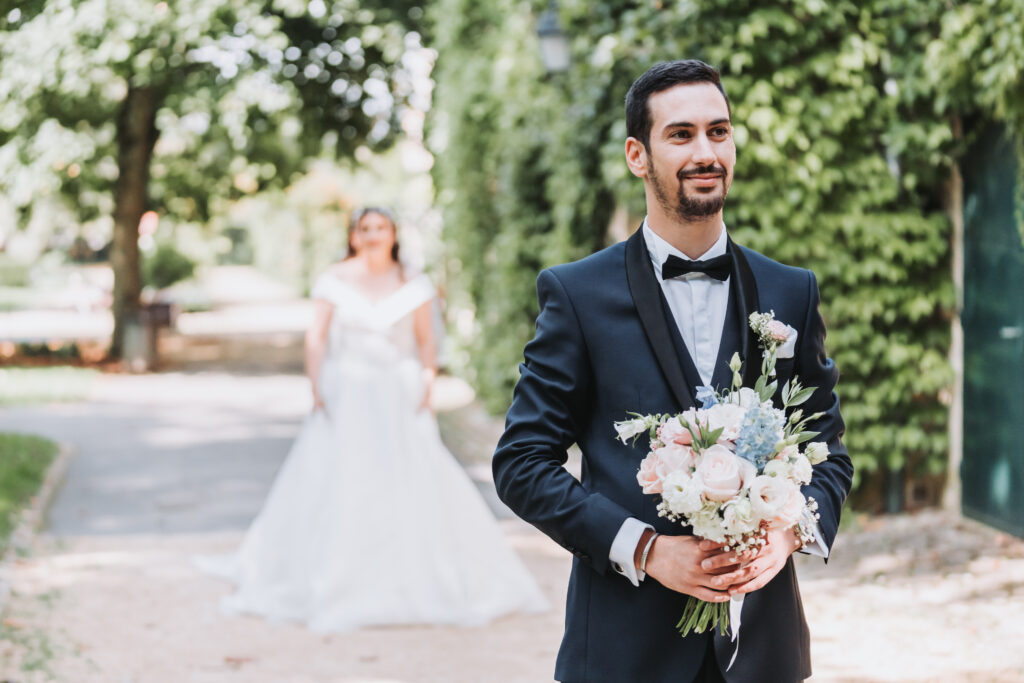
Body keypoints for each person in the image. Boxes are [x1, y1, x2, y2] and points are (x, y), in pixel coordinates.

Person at [492, 60, 853, 682]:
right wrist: (647, 549)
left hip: (764, 653)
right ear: (638, 155)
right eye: (681, 135)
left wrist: (790, 534)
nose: (705, 152)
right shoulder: (577, 296)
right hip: (624, 652)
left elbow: (828, 452)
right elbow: (522, 462)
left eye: (719, 131)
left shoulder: (791, 291)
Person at [197, 207, 547, 632]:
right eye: (365, 228)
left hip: (397, 393)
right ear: (353, 236)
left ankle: (416, 574)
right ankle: (329, 575)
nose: (374, 234)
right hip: (347, 391)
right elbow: (317, 336)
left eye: (381, 227)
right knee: (338, 476)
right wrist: (315, 382)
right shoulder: (334, 280)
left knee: (411, 475)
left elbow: (425, 341)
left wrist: (427, 381)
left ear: (394, 234)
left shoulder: (413, 284)